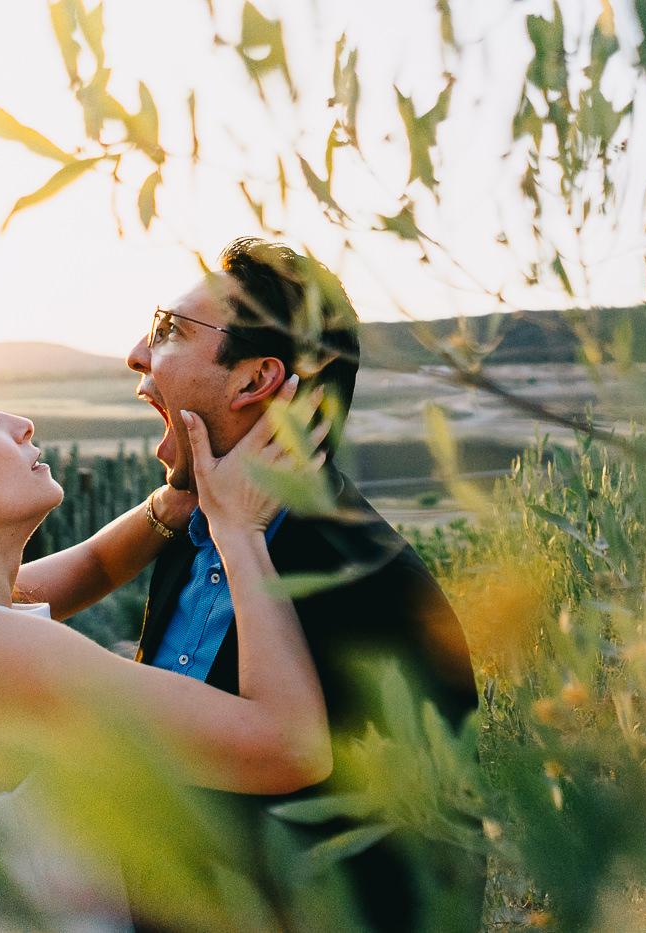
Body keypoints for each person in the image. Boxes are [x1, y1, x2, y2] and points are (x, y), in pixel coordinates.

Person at [0, 363, 330, 932]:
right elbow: (288, 747)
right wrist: (239, 529)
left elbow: (91, 565)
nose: (21, 424)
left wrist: (170, 506)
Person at [126, 238, 483, 933]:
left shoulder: (380, 591)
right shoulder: (188, 535)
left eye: (169, 329)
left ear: (255, 379)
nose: (137, 352)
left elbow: (435, 871)